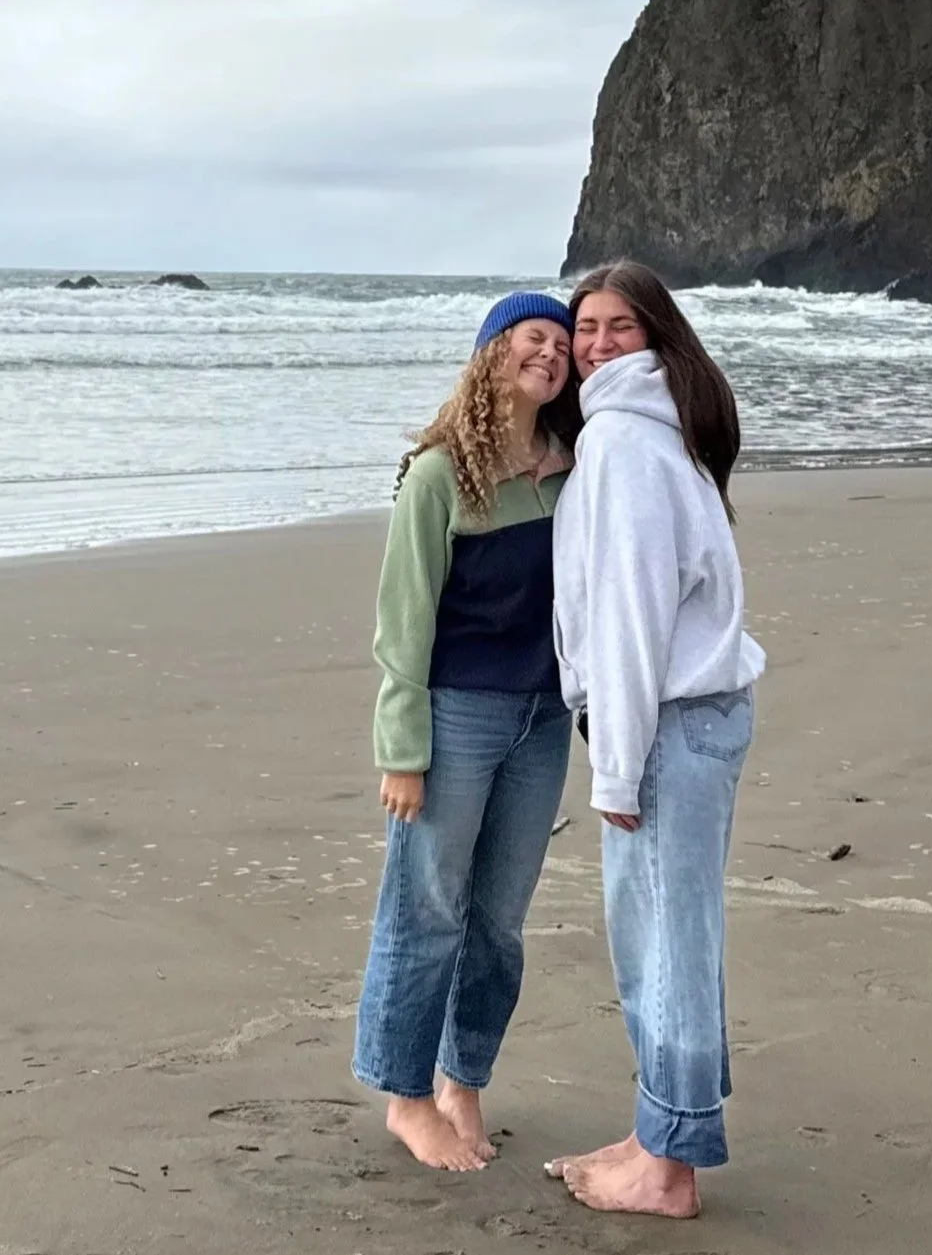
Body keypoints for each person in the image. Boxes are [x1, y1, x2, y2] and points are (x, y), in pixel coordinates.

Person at [547, 261, 766, 1218]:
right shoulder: (651, 431)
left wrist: (615, 763)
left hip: (667, 725)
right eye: (582, 327)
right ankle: (657, 1132)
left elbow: (630, 621)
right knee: (671, 936)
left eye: (616, 328)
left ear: (656, 337)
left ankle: (667, 1168)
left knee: (664, 944)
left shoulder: (627, 449)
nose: (594, 344)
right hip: (694, 719)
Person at [351, 291, 581, 1172]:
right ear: (492, 354)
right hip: (456, 718)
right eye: (535, 337)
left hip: (543, 718)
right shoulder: (439, 474)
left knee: (498, 920)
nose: (552, 353)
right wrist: (400, 750)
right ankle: (405, 1097)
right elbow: (400, 624)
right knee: (427, 909)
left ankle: (463, 1079)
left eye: (561, 343)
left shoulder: (567, 464)